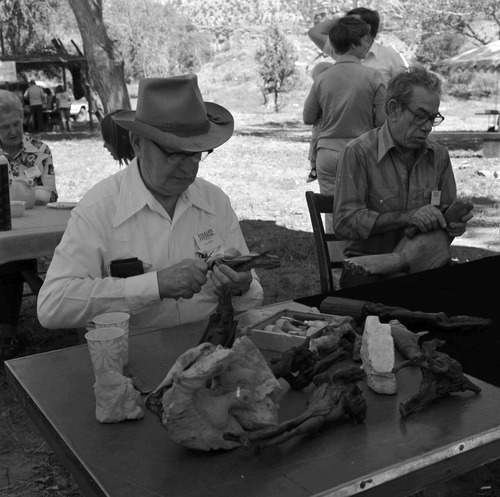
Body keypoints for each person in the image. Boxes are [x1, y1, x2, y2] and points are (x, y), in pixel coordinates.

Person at [37, 75, 264, 335]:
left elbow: (252, 296)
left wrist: (242, 286)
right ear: (137, 143)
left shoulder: (215, 201)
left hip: (212, 347)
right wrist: (154, 285)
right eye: (175, 152)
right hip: (132, 356)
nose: (190, 167)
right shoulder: (100, 208)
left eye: (197, 152)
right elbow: (52, 304)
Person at [333, 66, 473, 288]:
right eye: (419, 116)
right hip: (370, 266)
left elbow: (445, 215)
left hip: (424, 260)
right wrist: (408, 217)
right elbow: (344, 223)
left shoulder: (438, 156)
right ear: (393, 109)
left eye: (433, 117)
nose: (427, 127)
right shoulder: (358, 152)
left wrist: (454, 224)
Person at [303, 16, 386, 245]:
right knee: (362, 209)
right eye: (364, 40)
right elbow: (382, 121)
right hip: (362, 152)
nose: (368, 45)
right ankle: (359, 263)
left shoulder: (322, 78)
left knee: (332, 212)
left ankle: (336, 265)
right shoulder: (373, 76)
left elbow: (308, 117)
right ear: (354, 44)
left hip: (327, 154)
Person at [0, 89, 58, 359]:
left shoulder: (40, 150)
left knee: (10, 260)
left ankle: (7, 336)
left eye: (16, 124)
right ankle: (38, 287)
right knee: (12, 260)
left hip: (34, 226)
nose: (13, 131)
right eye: (4, 127)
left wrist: (23, 192)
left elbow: (51, 194)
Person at [308, 7, 408, 85]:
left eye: (353, 24)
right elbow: (314, 32)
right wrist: (342, 21)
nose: (347, 28)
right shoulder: (341, 49)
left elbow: (404, 90)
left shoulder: (390, 56)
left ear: (368, 28)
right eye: (347, 24)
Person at [305, 61, 334, 183]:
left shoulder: (319, 89)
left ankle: (314, 168)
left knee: (315, 144)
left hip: (321, 124)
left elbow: (308, 118)